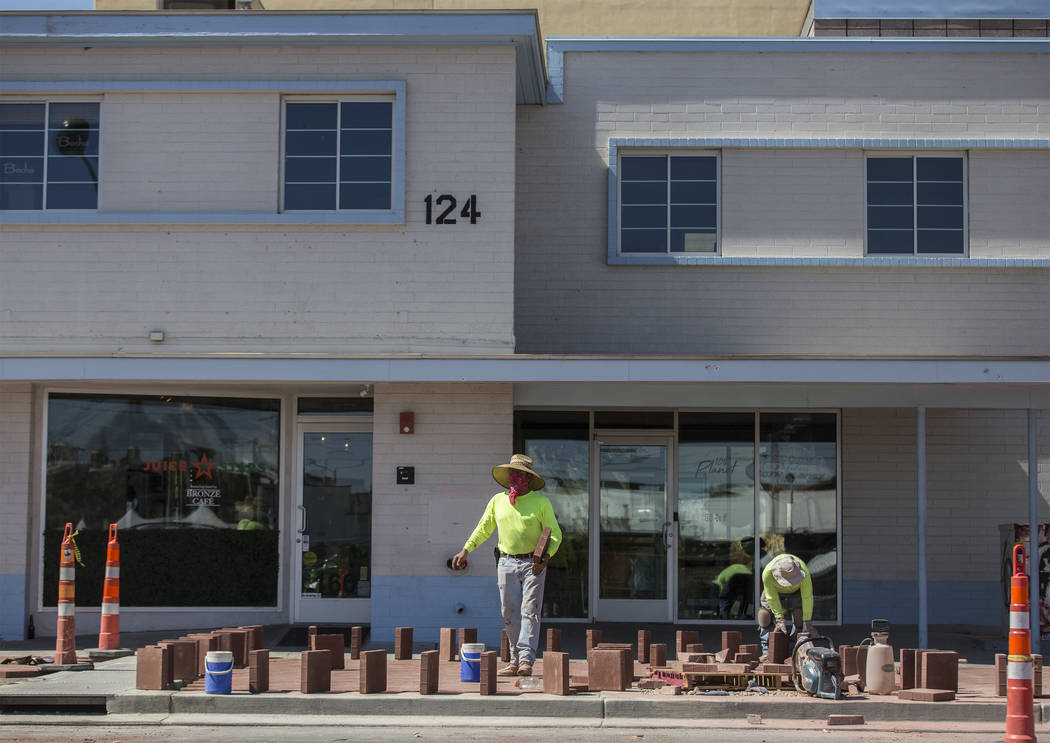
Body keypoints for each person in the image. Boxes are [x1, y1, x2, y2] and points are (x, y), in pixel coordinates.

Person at [451, 454, 562, 677]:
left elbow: (555, 534)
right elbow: (484, 528)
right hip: (506, 561)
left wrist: (546, 557)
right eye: (512, 473)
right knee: (509, 612)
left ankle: (526, 660)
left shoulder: (541, 503)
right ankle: (514, 660)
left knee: (530, 611)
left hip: (533, 563)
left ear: (528, 478)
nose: (515, 477)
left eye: (520, 473)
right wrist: (466, 549)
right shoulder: (497, 501)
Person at [758, 553, 815, 657]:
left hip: (796, 590)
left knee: (799, 613)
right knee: (764, 614)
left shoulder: (804, 572)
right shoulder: (767, 573)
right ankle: (766, 650)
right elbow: (771, 598)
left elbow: (807, 597)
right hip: (775, 590)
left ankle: (795, 647)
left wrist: (808, 622)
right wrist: (779, 619)